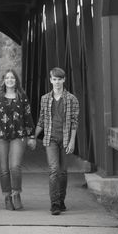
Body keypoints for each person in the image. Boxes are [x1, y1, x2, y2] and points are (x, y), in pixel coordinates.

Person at [0, 68, 36, 210]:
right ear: (4, 80)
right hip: (0, 136)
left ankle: (16, 193)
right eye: (7, 78)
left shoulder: (22, 96)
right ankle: (7, 196)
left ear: (16, 80)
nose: (10, 80)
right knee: (4, 168)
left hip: (19, 135)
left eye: (12, 78)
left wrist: (32, 136)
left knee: (15, 166)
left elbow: (28, 116)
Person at [35, 66, 80, 215]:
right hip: (50, 139)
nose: (57, 82)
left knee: (63, 172)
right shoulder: (45, 99)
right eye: (54, 79)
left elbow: (74, 121)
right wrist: (33, 137)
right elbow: (41, 120)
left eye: (60, 79)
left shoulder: (72, 99)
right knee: (54, 170)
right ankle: (54, 203)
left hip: (66, 139)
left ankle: (61, 200)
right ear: (50, 80)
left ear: (64, 80)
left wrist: (72, 141)